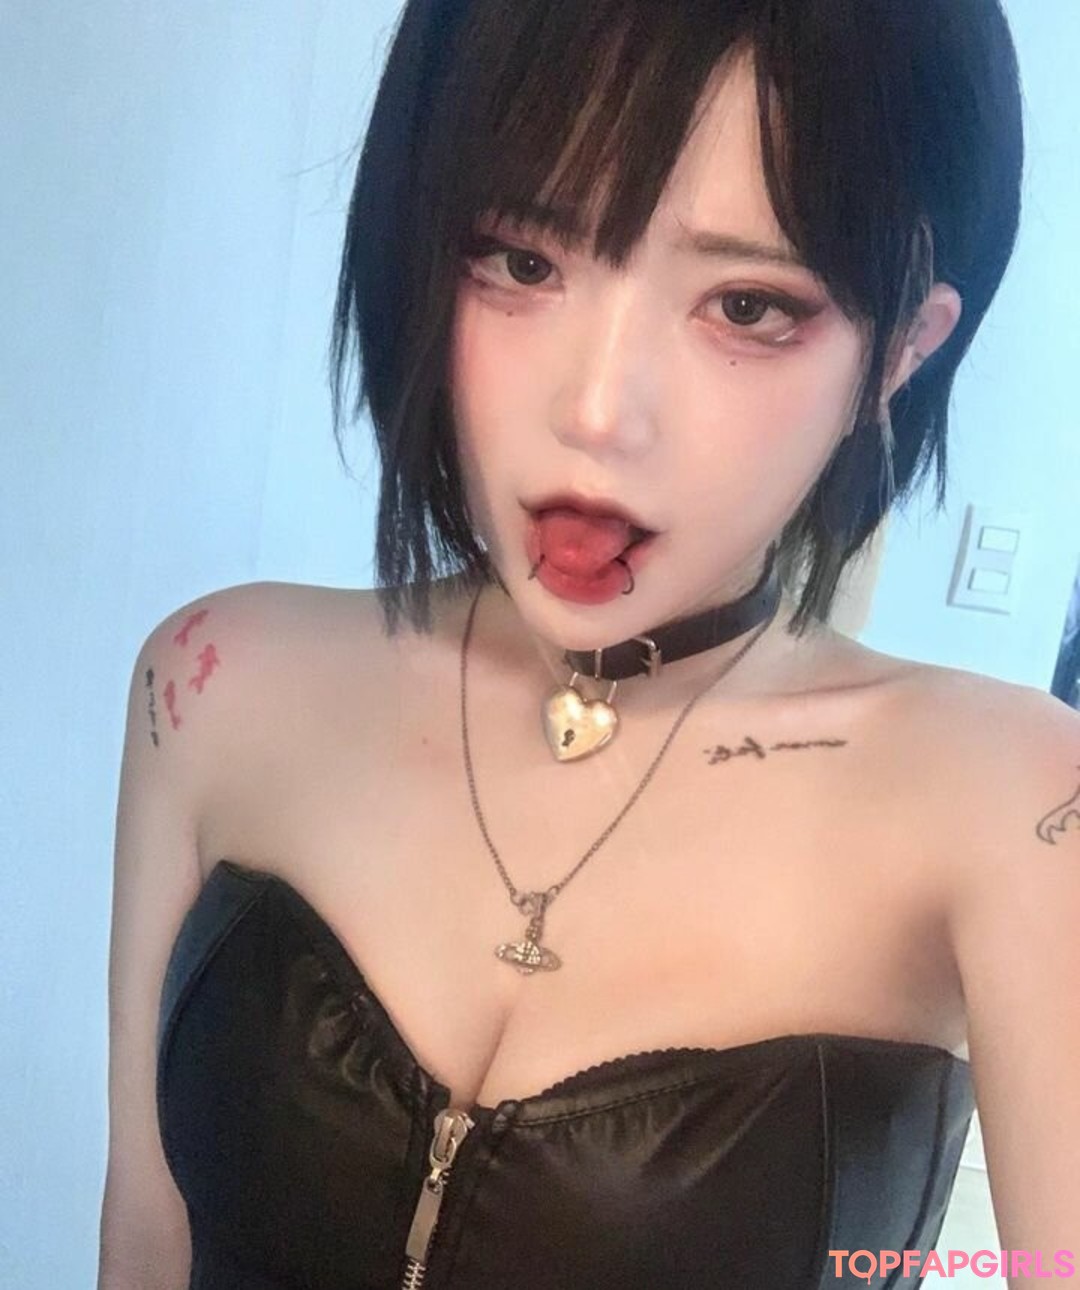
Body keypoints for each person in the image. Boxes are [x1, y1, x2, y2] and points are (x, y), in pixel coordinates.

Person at [99, 2, 1080, 1287]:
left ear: (900, 350)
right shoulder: (214, 685)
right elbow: (144, 1225)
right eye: (522, 260)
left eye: (746, 304)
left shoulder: (1015, 805)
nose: (599, 412)